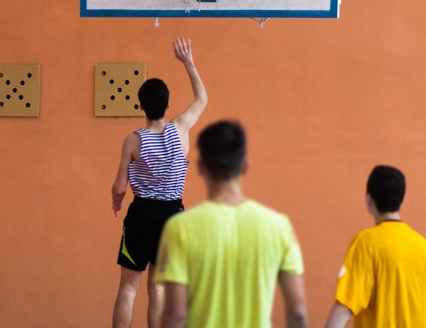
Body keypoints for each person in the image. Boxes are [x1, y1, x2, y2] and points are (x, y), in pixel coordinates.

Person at [154, 120, 307, 328]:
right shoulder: (279, 226)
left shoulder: (179, 227)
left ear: (200, 168)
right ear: (245, 166)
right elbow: (298, 312)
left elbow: (176, 313)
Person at [111, 38, 207, 328]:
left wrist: (117, 203)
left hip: (141, 214)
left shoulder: (133, 140)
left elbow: (119, 187)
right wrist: (188, 62)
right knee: (159, 287)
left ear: (141, 106)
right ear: (168, 104)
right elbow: (202, 99)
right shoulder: (180, 129)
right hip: (173, 216)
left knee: (129, 287)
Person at [325, 165, 426, 328]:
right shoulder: (425, 249)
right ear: (403, 198)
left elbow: (344, 306)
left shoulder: (366, 243)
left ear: (368, 199)